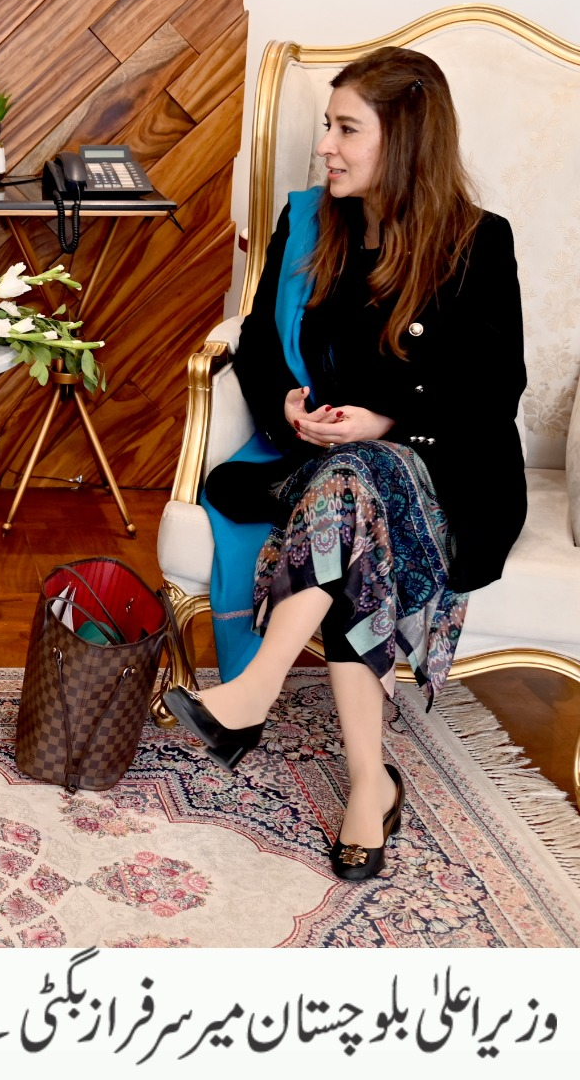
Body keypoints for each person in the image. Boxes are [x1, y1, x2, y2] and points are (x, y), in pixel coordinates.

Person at [162, 46, 526, 881]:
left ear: (406, 139)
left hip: (445, 480)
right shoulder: (311, 225)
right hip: (325, 470)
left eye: (346, 128)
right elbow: (260, 341)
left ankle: (253, 693)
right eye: (328, 124)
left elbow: (494, 387)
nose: (325, 145)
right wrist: (287, 403)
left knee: (358, 481)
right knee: (350, 501)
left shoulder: (479, 241)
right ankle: (371, 783)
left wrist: (388, 417)